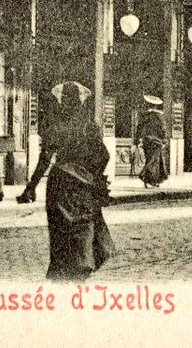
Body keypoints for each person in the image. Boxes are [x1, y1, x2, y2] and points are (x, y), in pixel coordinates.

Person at [45, 82, 114, 281]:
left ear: (62, 101)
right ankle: (82, 266)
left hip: (59, 183)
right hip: (82, 184)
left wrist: (31, 187)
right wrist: (90, 173)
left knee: (59, 228)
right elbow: (104, 155)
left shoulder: (56, 125)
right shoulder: (89, 126)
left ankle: (61, 270)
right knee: (83, 225)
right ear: (79, 101)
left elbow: (45, 159)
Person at [18, 91, 60, 204]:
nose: (44, 105)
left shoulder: (50, 113)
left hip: (52, 142)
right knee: (43, 167)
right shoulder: (56, 113)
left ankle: (30, 191)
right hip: (53, 142)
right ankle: (30, 190)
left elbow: (42, 129)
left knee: (42, 167)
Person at [136, 95, 168, 187]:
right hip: (156, 141)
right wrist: (164, 139)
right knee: (154, 161)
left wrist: (137, 140)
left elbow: (139, 128)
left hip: (146, 140)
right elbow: (163, 129)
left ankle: (151, 181)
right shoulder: (159, 116)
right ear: (156, 106)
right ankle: (146, 177)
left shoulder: (144, 116)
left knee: (149, 159)